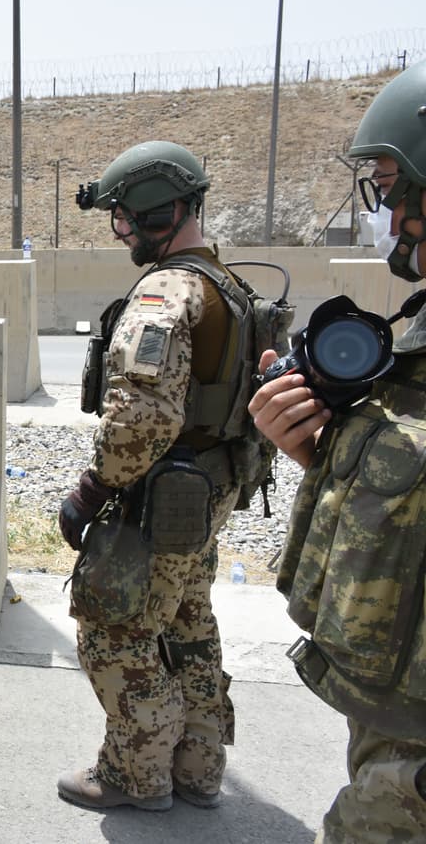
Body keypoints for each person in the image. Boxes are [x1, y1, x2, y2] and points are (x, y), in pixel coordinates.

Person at [58, 141, 270, 812]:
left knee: (114, 629)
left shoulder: (167, 291)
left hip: (159, 500)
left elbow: (141, 418)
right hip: (207, 495)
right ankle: (198, 768)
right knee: (187, 624)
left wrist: (91, 490)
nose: (122, 231)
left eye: (126, 217)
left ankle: (136, 773)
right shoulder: (228, 285)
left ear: (162, 211)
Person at [249, 62, 426, 842]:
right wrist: (319, 451)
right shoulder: (415, 339)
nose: (384, 212)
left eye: (389, 186)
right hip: (393, 717)